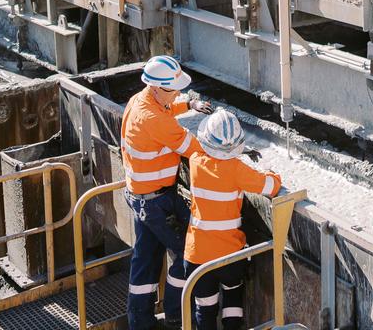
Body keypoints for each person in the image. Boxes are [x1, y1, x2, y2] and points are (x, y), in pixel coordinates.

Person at [121, 55, 213, 330]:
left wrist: (190, 104)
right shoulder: (153, 118)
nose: (177, 94)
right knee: (189, 254)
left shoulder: (141, 100)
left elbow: (166, 109)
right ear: (157, 88)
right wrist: (230, 151)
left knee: (145, 260)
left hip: (142, 197)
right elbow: (193, 147)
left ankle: (139, 322)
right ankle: (176, 315)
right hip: (158, 202)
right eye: (173, 90)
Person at [183, 109, 282, 330]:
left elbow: (206, 153)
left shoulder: (196, 162)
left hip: (197, 255)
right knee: (232, 297)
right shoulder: (238, 170)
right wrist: (272, 172)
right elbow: (271, 187)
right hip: (229, 255)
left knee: (205, 310)